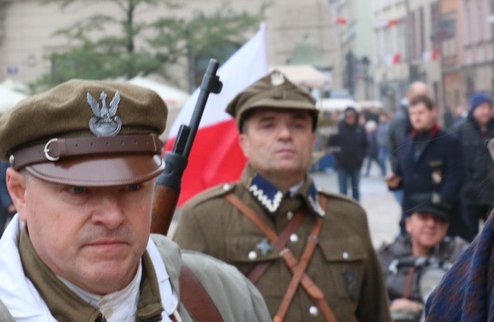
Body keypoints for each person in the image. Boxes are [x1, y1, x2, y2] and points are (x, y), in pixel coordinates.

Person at [0, 79, 270, 321]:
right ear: (19, 193)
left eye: (132, 187)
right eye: (78, 190)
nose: (111, 216)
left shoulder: (221, 296)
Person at [173, 70, 390, 321]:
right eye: (268, 125)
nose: (285, 134)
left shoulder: (349, 217)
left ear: (312, 140)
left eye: (297, 125)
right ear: (244, 142)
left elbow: (376, 314)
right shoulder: (204, 218)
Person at [387, 94, 467, 240]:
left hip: (442, 216)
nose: (416, 118)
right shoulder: (405, 143)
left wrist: (441, 203)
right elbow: (400, 173)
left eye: (420, 112)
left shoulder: (449, 141)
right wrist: (393, 182)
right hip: (413, 215)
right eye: (412, 114)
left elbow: (456, 176)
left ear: (433, 112)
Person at [377, 194, 467, 320]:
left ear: (446, 227)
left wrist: (419, 307)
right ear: (408, 224)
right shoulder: (388, 253)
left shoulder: (460, 254)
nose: (431, 224)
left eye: (439, 219)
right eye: (423, 218)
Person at [455, 91, 494, 238]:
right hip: (469, 194)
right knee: (468, 237)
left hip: (491, 195)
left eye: (488, 107)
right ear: (473, 109)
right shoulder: (460, 129)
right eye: (481, 107)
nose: (485, 111)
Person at [329, 106, 369, 200]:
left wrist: (361, 157)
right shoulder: (338, 128)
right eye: (348, 116)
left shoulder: (360, 129)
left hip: (356, 164)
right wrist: (338, 156)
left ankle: (356, 211)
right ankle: (344, 212)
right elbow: (331, 144)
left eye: (352, 116)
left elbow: (366, 145)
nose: (350, 118)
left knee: (356, 190)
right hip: (342, 164)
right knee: (343, 191)